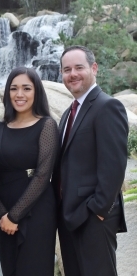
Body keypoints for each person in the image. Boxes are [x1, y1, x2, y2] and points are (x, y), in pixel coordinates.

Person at [54, 45, 128, 276]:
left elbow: (114, 165)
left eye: (79, 67)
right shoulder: (68, 113)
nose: (72, 74)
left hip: (93, 217)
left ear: (93, 68)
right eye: (67, 69)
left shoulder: (108, 106)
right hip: (68, 218)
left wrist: (97, 209)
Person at [0, 67, 58, 275]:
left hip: (37, 210)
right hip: (4, 212)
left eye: (26, 88)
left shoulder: (46, 125)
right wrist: (2, 215)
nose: (19, 94)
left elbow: (43, 174)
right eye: (14, 88)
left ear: (36, 92)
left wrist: (14, 216)